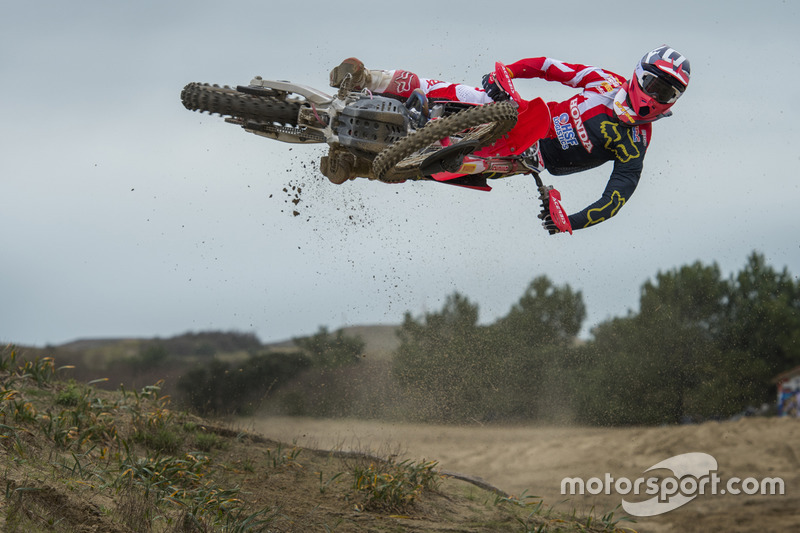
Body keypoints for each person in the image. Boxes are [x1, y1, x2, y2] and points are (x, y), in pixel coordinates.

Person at [329, 46, 691, 233]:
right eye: (654, 85)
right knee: (468, 93)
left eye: (667, 94)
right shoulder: (605, 82)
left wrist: (572, 221)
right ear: (638, 75)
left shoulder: (635, 142)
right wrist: (509, 71)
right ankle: (368, 78)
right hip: (522, 114)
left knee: (444, 169)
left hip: (530, 159)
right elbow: (552, 67)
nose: (655, 97)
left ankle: (351, 165)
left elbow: (617, 195)